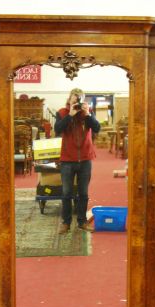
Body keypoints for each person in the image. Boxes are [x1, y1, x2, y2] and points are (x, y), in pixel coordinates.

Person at [54, 88, 101, 234]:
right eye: (75, 99)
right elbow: (57, 129)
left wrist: (88, 115)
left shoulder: (88, 112)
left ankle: (82, 222)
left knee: (83, 193)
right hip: (68, 159)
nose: (77, 102)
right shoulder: (62, 112)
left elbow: (97, 128)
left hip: (85, 158)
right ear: (69, 99)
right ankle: (66, 223)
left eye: (80, 99)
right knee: (67, 193)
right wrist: (70, 115)